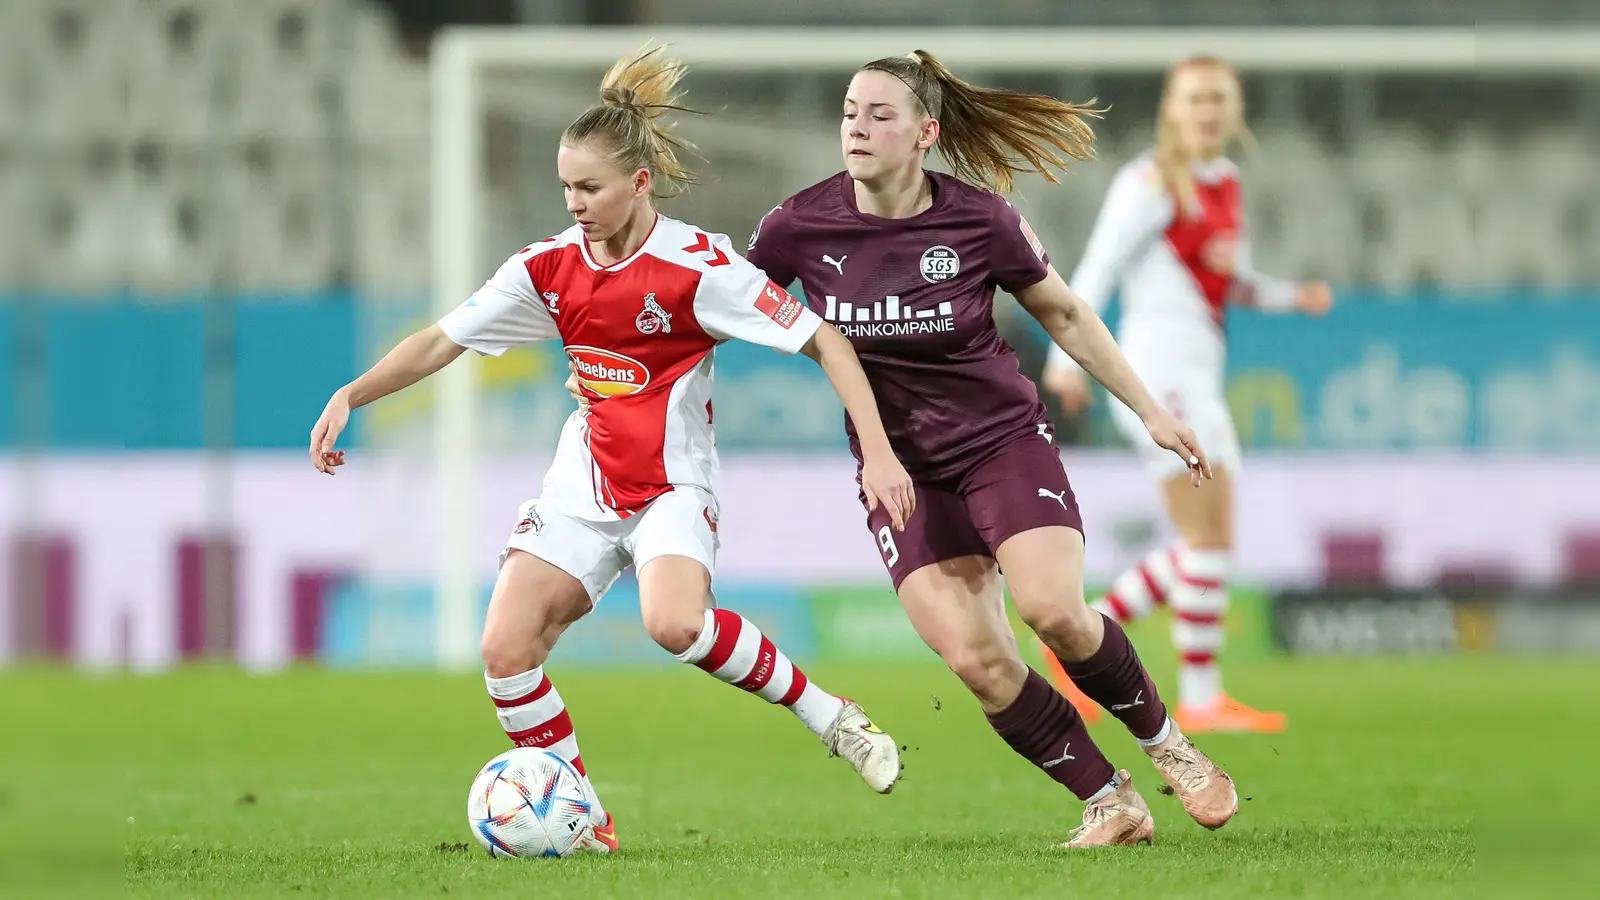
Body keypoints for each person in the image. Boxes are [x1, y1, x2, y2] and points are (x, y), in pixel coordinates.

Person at [307, 46, 914, 855]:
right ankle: (586, 821)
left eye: (589, 188)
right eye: (566, 187)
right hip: (583, 483)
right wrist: (352, 394)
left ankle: (831, 718)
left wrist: (877, 452)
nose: (575, 203)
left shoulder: (699, 268)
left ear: (638, 183)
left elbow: (825, 341)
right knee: (504, 649)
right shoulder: (547, 268)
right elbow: (441, 341)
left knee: (672, 624)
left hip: (673, 481)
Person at [743, 50, 1238, 847]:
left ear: (925, 133)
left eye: (879, 115)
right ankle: (1110, 800)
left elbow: (1067, 316)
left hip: (1001, 442)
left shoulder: (980, 218)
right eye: (848, 112)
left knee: (1053, 613)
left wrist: (1149, 410)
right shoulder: (797, 226)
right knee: (979, 661)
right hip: (899, 469)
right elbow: (712, 302)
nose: (856, 129)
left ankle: (1167, 746)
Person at [1039, 56, 1332, 735]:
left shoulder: (1223, 182)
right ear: (1172, 108)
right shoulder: (1147, 182)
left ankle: (1081, 640)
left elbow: (1229, 280)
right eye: (1194, 98)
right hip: (1156, 372)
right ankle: (1198, 694)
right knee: (1207, 532)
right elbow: (1096, 268)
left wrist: (1293, 297)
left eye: (1217, 99)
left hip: (1197, 372)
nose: (1206, 110)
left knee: (1211, 537)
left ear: (1233, 112)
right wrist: (1065, 359)